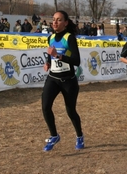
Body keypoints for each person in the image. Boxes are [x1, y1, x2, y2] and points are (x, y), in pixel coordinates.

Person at [41, 10, 84, 152]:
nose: (54, 22)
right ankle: (54, 135)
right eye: (53, 19)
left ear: (65, 23)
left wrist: (58, 56)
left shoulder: (69, 38)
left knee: (70, 111)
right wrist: (48, 62)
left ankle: (79, 136)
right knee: (45, 107)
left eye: (59, 20)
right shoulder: (51, 37)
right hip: (53, 78)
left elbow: (76, 60)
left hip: (68, 80)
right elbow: (50, 54)